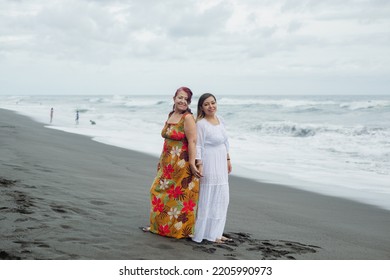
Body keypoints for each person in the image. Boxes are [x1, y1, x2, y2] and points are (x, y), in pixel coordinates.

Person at [141, 87, 201, 238]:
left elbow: (193, 141)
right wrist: (161, 161)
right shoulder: (171, 115)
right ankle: (158, 227)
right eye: (180, 97)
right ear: (174, 98)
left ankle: (177, 231)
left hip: (182, 164)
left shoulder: (187, 118)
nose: (182, 101)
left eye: (186, 99)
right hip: (167, 163)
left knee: (178, 198)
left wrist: (193, 164)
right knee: (157, 191)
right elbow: (167, 142)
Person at [192, 93, 232, 244]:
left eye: (213, 103)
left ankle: (217, 233)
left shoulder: (220, 119)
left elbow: (225, 142)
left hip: (221, 161)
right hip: (209, 162)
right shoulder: (201, 124)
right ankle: (204, 233)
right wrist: (200, 165)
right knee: (208, 198)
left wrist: (228, 159)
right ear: (201, 107)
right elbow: (199, 146)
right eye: (207, 104)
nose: (211, 106)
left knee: (222, 198)